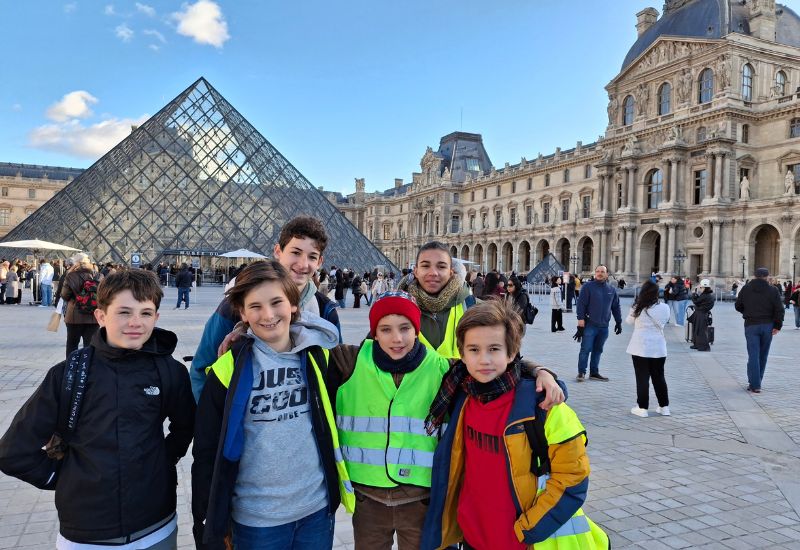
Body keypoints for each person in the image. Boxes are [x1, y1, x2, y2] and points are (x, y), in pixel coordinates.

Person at [330, 291, 563, 549]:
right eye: (385, 329)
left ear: (417, 329)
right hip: (367, 499)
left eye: (405, 328)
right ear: (374, 332)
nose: (396, 338)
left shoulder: (444, 369)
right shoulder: (348, 360)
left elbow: (492, 366)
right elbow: (307, 361)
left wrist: (541, 372)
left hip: (421, 501)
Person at [0, 270, 195, 549]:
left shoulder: (170, 371)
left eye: (146, 313)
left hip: (156, 523)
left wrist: (162, 462)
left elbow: (185, 425)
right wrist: (62, 478)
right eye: (124, 312)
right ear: (101, 316)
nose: (135, 323)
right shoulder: (67, 375)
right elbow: (12, 452)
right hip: (87, 532)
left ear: (156, 318)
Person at [421, 300, 609, 550]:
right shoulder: (459, 391)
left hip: (520, 538)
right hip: (472, 535)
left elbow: (573, 475)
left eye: (494, 349)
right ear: (462, 354)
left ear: (511, 353)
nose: (484, 359)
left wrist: (530, 528)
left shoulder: (545, 406)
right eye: (474, 349)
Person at [191, 261, 351, 550]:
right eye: (255, 307)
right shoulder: (227, 369)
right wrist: (205, 520)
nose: (268, 315)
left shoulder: (320, 358)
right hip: (256, 519)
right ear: (242, 313)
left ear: (292, 304)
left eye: (277, 302)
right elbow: (205, 449)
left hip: (316, 509)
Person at [190, 216, 342, 401]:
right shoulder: (234, 306)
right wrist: (213, 424)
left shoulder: (326, 311)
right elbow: (201, 368)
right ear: (278, 251)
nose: (303, 264)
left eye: (312, 257)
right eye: (295, 252)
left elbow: (337, 375)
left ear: (319, 262)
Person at [399, 241, 475, 359]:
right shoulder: (396, 308)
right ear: (416, 271)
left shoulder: (475, 308)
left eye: (441, 267)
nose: (433, 273)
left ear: (451, 272)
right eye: (425, 266)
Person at [735, 268, 785, 393]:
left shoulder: (746, 288)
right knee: (763, 355)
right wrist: (777, 326)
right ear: (767, 277)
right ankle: (757, 382)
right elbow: (779, 309)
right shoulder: (773, 290)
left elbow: (738, 306)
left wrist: (747, 312)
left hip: (751, 325)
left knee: (753, 355)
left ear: (754, 276)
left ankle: (754, 384)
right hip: (768, 325)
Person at [626, 281, 671, 417]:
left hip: (641, 346)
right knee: (659, 377)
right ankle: (664, 407)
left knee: (642, 378)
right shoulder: (664, 307)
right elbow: (665, 320)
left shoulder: (638, 307)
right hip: (658, 346)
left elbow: (629, 321)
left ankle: (642, 407)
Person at [574, 265, 622, 382]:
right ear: (595, 273)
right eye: (598, 271)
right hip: (590, 324)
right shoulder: (587, 287)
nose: (600, 273)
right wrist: (580, 322)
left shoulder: (611, 289)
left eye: (602, 271)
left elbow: (615, 307)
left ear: (607, 274)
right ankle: (581, 372)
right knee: (586, 349)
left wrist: (618, 322)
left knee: (598, 350)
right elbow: (581, 305)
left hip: (604, 327)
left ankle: (594, 373)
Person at [61, 253, 101, 360]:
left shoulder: (70, 276)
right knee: (91, 345)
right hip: (93, 315)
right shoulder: (98, 275)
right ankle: (89, 368)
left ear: (76, 263)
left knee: (72, 344)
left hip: (74, 316)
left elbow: (65, 295)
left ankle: (71, 367)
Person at [689, 279, 715, 352]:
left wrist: (694, 294)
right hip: (700, 313)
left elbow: (696, 302)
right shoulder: (706, 295)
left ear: (704, 288)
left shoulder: (706, 295)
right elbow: (699, 302)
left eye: (701, 287)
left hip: (701, 314)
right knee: (696, 329)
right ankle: (697, 344)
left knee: (700, 330)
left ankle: (704, 347)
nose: (700, 289)